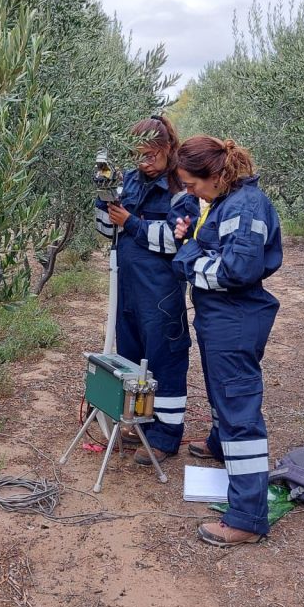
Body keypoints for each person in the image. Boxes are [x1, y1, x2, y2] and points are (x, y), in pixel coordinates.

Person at [172, 135, 283, 547]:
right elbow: (216, 251)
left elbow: (236, 271)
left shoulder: (245, 207)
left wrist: (187, 256)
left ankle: (247, 518)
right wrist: (192, 242)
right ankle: (221, 446)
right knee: (224, 395)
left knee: (239, 412)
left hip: (235, 319)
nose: (190, 193)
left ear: (216, 175)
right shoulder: (225, 201)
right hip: (220, 318)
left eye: (192, 184)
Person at [94, 115, 200, 465]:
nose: (145, 162)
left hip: (160, 292)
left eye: (152, 154)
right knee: (131, 356)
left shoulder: (181, 190)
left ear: (168, 148)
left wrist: (131, 222)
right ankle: (140, 425)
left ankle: (165, 437)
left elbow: (174, 239)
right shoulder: (129, 182)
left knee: (164, 359)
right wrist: (103, 200)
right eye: (138, 155)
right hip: (127, 286)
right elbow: (106, 232)